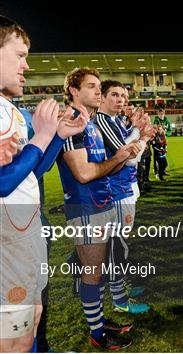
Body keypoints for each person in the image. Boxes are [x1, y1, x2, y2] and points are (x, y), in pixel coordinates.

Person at [0, 16, 87, 353]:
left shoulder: (12, 110)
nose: (26, 65)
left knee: (34, 316)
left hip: (27, 234)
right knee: (13, 340)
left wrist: (55, 138)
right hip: (7, 245)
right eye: (19, 55)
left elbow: (31, 172)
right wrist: (45, 135)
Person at [57, 67, 140, 350]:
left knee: (99, 268)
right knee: (92, 271)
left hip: (101, 203)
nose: (97, 90)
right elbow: (82, 173)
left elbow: (105, 167)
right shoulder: (71, 122)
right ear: (73, 91)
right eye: (91, 86)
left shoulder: (89, 123)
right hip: (85, 207)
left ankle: (100, 320)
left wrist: (122, 156)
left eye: (98, 85)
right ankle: (97, 333)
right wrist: (118, 157)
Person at [94, 80, 151, 314]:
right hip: (115, 192)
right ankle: (119, 300)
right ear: (103, 97)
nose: (121, 100)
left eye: (123, 96)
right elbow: (128, 156)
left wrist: (137, 132)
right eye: (115, 95)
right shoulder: (102, 120)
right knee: (117, 246)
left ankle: (119, 287)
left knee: (119, 244)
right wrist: (142, 135)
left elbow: (129, 149)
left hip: (125, 189)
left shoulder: (115, 121)